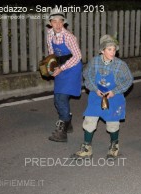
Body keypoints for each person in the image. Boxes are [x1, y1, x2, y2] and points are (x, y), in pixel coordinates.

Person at [71, 34, 133, 159]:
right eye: (109, 49)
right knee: (89, 120)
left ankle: (114, 146)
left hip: (114, 98)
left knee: (112, 123)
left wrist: (114, 91)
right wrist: (95, 89)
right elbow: (87, 76)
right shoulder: (94, 62)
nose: (112, 52)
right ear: (102, 50)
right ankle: (87, 148)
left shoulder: (120, 65)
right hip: (96, 96)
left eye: (114, 49)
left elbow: (128, 80)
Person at [46, 8, 82, 142]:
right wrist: (51, 66)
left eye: (60, 21)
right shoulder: (49, 34)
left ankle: (62, 131)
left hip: (72, 67)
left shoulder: (69, 37)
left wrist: (62, 68)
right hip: (60, 67)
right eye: (54, 21)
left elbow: (78, 56)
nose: (57, 24)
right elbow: (51, 52)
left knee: (61, 98)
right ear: (50, 23)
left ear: (63, 22)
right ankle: (68, 123)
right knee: (58, 98)